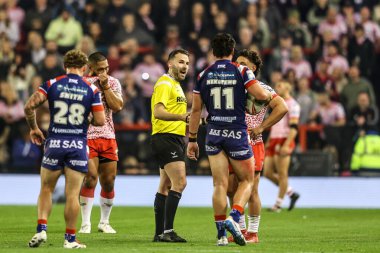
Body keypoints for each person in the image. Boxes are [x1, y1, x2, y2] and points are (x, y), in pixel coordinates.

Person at [187, 33, 272, 246]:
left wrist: (192, 139)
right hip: (236, 132)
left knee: (219, 185)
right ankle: (234, 217)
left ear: (213, 52)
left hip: (214, 133)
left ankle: (221, 236)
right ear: (232, 51)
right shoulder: (242, 70)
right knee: (247, 181)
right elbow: (261, 95)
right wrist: (266, 97)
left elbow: (196, 110)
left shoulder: (203, 74)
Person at [26, 49, 105, 248]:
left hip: (54, 143)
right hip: (77, 145)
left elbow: (29, 106)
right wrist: (85, 119)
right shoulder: (91, 89)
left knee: (46, 189)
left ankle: (42, 230)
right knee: (72, 195)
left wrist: (34, 128)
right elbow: (100, 120)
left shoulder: (52, 84)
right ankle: (70, 239)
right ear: (85, 68)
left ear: (65, 66)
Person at [227, 49, 288, 244]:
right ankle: (240, 231)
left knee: (251, 190)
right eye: (237, 62)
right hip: (232, 140)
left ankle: (253, 234)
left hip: (252, 144)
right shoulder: (232, 86)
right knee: (230, 189)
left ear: (253, 68)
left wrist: (261, 127)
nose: (238, 65)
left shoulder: (262, 88)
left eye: (243, 63)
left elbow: (282, 107)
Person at [79, 52, 123, 234]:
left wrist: (105, 87)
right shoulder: (82, 83)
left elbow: (118, 106)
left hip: (108, 136)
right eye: (100, 69)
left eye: (106, 68)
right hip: (87, 136)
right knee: (90, 178)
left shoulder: (113, 82)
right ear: (91, 69)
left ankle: (104, 222)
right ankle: (85, 223)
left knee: (109, 181)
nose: (104, 71)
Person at [151, 48, 190, 243]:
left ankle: (159, 233)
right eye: (181, 62)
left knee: (165, 186)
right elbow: (158, 111)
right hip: (165, 136)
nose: (185, 66)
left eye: (187, 63)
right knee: (180, 182)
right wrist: (182, 117)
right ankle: (168, 231)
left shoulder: (176, 85)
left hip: (173, 137)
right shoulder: (165, 83)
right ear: (170, 63)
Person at [263, 81, 301, 212]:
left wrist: (286, 144)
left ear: (288, 87)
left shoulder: (293, 105)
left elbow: (294, 128)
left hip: (284, 139)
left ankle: (278, 205)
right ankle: (291, 192)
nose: (276, 87)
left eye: (280, 85)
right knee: (267, 172)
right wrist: (268, 140)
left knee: (282, 173)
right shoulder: (276, 104)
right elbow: (274, 123)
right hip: (274, 139)